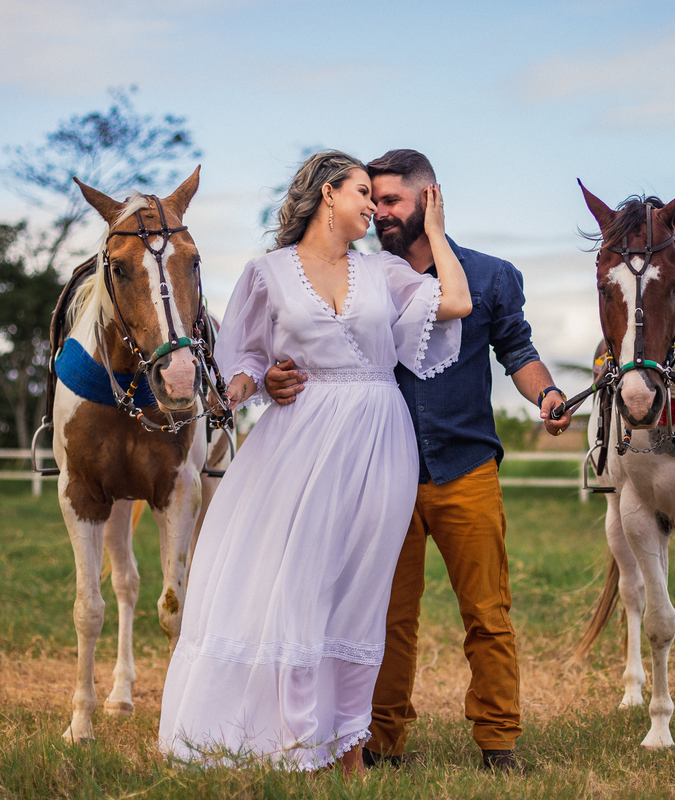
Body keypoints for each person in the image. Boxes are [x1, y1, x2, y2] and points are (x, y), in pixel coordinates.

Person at [158, 150, 472, 774]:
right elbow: (244, 357)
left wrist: (435, 234)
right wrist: (247, 385)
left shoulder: (384, 272)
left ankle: (346, 750)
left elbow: (456, 302)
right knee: (298, 584)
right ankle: (291, 739)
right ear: (329, 195)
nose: (373, 208)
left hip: (380, 436)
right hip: (298, 440)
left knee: (359, 592)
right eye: (363, 193)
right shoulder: (265, 273)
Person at [265, 149, 572, 773]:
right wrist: (272, 378)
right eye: (371, 201)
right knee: (384, 616)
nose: (378, 214)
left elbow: (519, 352)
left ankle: (497, 742)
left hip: (467, 467)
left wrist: (547, 393)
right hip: (384, 473)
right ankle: (382, 742)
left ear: (429, 199)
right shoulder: (364, 277)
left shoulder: (491, 276)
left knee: (488, 612)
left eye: (391, 202)